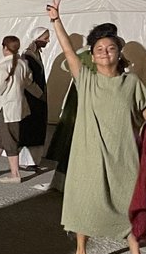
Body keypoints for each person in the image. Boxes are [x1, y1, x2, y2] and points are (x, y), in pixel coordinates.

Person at [46, 0, 146, 254]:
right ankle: (82, 253)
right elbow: (68, 51)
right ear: (93, 55)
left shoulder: (131, 82)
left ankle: (135, 253)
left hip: (123, 153)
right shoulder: (86, 78)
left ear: (119, 52)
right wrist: (56, 20)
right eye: (99, 49)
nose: (105, 52)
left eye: (110, 48)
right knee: (87, 199)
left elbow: (144, 114)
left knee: (128, 199)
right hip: (90, 153)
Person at [45, 22, 118, 190]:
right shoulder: (90, 53)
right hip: (85, 98)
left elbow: (66, 65)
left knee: (76, 138)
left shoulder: (85, 52)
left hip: (83, 98)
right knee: (77, 137)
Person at [0, 35, 36, 183]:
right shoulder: (23, 63)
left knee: (9, 138)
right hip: (16, 105)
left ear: (4, 47)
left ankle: (15, 174)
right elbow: (28, 81)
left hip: (6, 107)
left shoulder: (3, 66)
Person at [18, 26, 50, 162]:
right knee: (30, 127)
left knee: (37, 127)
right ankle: (26, 160)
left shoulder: (36, 54)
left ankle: (33, 160)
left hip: (38, 97)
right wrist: (38, 94)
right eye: (45, 38)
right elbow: (27, 79)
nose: (47, 41)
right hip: (31, 97)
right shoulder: (28, 56)